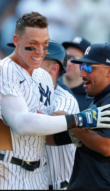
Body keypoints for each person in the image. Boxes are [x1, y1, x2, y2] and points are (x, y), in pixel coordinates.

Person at [0, 12, 110, 190]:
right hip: (5, 169)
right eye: (33, 44)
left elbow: (42, 133)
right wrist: (79, 120)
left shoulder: (43, 79)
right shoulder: (4, 68)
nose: (39, 51)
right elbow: (21, 124)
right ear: (16, 40)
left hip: (39, 173)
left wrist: (75, 133)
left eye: (45, 45)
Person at [51, 43, 110, 190]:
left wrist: (72, 122)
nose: (82, 74)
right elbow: (57, 139)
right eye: (82, 67)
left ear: (109, 71)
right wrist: (42, 122)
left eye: (89, 68)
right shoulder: (100, 99)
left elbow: (106, 146)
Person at [40, 40, 79, 190]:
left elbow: (58, 119)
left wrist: (35, 119)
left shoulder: (64, 97)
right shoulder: (28, 91)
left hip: (62, 185)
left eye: (39, 61)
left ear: (53, 68)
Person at [58, 36, 92, 111]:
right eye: (67, 56)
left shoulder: (91, 99)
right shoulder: (49, 85)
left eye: (76, 59)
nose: (69, 62)